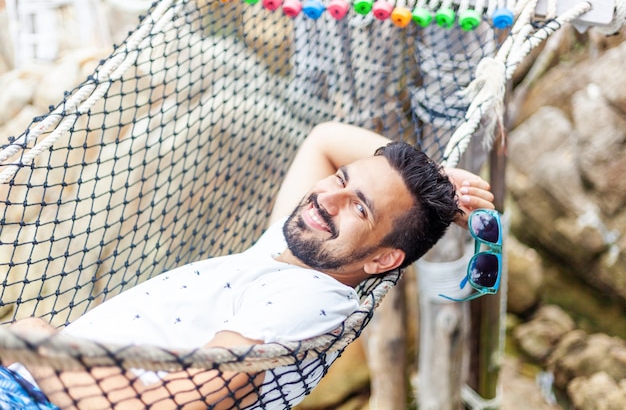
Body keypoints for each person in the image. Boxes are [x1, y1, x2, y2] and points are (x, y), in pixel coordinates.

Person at [1, 122, 494, 410]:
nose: (328, 197)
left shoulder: (312, 297)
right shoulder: (292, 250)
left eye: (359, 207)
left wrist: (40, 345)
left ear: (383, 258)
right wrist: (435, 179)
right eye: (339, 180)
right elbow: (324, 139)